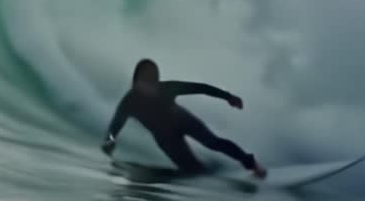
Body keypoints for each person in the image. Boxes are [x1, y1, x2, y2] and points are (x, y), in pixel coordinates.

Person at [101, 58, 267, 179]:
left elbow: (199, 88)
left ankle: (252, 165)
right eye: (145, 83)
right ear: (136, 82)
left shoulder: (166, 88)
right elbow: (114, 126)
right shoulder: (129, 102)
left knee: (212, 142)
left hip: (184, 121)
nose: (150, 88)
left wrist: (228, 97)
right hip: (166, 139)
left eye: (153, 83)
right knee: (193, 171)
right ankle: (214, 171)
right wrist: (110, 141)